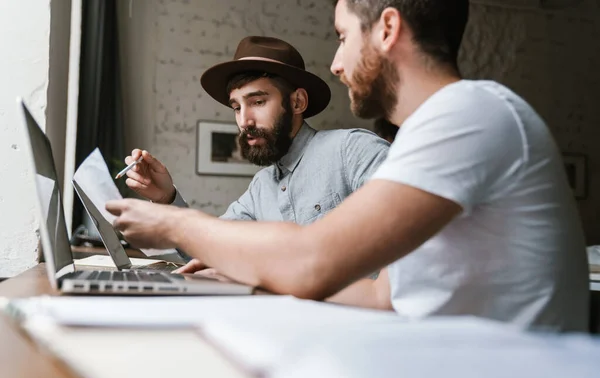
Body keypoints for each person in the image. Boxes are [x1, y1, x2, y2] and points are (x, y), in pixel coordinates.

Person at [107, 0, 589, 331]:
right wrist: (242, 272)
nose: (336, 65)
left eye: (342, 37)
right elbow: (383, 297)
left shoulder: (469, 115)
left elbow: (313, 261)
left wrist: (174, 219)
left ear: (387, 29)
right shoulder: (440, 127)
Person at [122, 35, 389, 270]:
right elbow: (208, 249)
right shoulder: (260, 189)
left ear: (297, 102)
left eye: (258, 102)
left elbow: (410, 241)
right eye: (237, 107)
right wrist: (166, 198)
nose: (244, 121)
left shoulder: (353, 151)